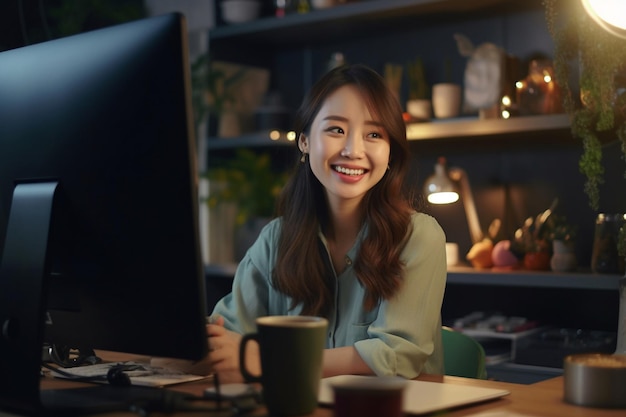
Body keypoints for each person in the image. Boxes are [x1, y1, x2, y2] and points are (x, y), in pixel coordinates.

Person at [205, 64, 446, 383]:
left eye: (374, 134)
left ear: (390, 153)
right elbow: (228, 333)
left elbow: (397, 355)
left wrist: (271, 359)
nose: (353, 150)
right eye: (336, 129)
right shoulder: (276, 239)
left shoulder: (419, 236)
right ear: (304, 141)